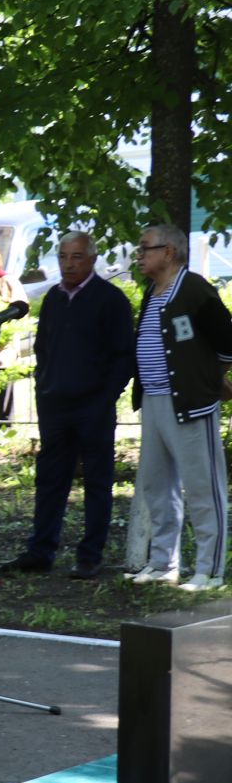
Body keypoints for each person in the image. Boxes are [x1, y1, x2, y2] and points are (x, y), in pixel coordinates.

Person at [0, 235, 135, 580]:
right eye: (63, 257)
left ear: (91, 259)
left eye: (76, 257)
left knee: (97, 481)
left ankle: (90, 556)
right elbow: (43, 348)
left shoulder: (110, 299)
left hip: (93, 406)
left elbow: (123, 356)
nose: (68, 264)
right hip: (55, 404)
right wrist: (45, 387)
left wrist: (104, 397)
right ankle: (41, 551)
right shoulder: (54, 298)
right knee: (50, 480)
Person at [127, 222, 232, 590]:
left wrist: (211, 381)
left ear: (168, 252)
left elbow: (227, 341)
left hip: (189, 403)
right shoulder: (152, 291)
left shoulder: (194, 290)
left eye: (145, 248)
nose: (139, 255)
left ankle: (209, 570)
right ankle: (163, 564)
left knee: (203, 486)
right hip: (155, 400)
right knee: (157, 485)